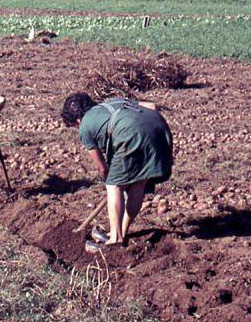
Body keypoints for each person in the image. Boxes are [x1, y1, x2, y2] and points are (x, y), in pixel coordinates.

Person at [60, 93, 173, 248]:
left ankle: (115, 238)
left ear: (77, 120)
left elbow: (101, 168)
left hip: (131, 135)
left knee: (114, 186)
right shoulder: (115, 102)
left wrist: (112, 180)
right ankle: (122, 232)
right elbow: (152, 106)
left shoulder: (84, 126)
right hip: (159, 132)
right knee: (138, 184)